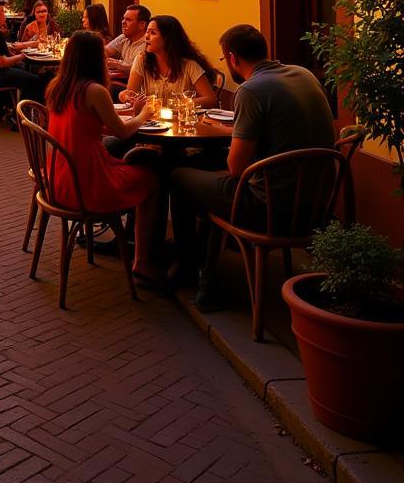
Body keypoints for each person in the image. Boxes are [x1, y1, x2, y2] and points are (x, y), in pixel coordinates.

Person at [171, 25, 336, 305]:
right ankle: (208, 264)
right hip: (317, 203)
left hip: (269, 207)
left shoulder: (250, 90)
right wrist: (230, 133)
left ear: (233, 59)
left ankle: (190, 268)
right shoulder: (303, 74)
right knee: (212, 185)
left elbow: (236, 167)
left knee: (179, 175)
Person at [43, 31, 163, 285]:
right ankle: (143, 260)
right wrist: (143, 116)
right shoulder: (94, 90)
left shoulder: (60, 86)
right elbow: (121, 131)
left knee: (137, 159)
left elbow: (97, 124)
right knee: (153, 177)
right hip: (87, 182)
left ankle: (134, 240)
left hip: (59, 177)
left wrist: (132, 110)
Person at [121, 15, 218, 109]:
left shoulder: (189, 65)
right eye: (147, 32)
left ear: (168, 38)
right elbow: (130, 92)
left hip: (180, 121)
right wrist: (126, 96)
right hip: (151, 121)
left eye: (153, 33)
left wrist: (177, 105)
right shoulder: (142, 59)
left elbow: (211, 100)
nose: (146, 36)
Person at [105, 5, 150, 87]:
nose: (123, 22)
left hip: (139, 89)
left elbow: (138, 70)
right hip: (123, 83)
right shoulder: (124, 37)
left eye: (128, 20)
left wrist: (117, 64)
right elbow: (105, 51)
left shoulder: (149, 44)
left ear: (142, 25)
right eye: (124, 18)